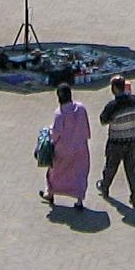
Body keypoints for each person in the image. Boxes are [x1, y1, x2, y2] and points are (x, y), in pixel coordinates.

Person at [41, 81, 91, 211]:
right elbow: (86, 128)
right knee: (80, 173)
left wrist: (49, 134)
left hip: (63, 150)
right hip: (81, 148)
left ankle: (50, 193)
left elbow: (55, 134)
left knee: (54, 173)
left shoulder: (59, 113)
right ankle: (79, 200)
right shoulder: (81, 108)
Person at [96, 74, 135, 207]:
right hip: (134, 141)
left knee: (111, 167)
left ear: (115, 89)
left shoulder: (113, 106)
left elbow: (103, 120)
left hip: (116, 142)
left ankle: (105, 188)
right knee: (133, 169)